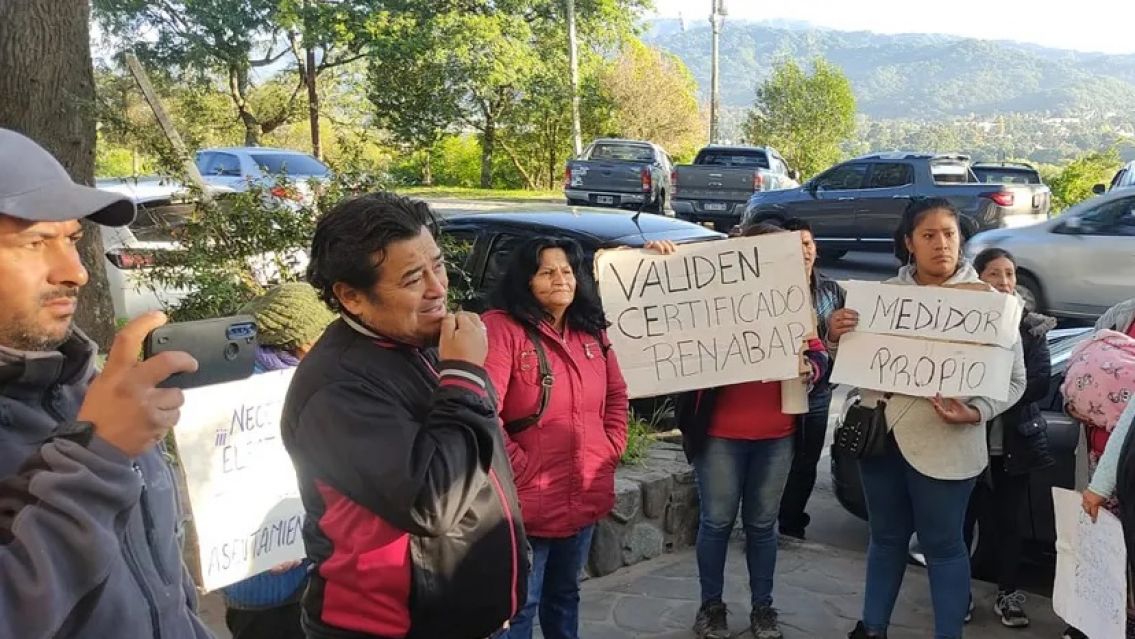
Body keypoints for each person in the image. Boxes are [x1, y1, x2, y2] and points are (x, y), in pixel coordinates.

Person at [280, 192, 529, 639]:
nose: (438, 287)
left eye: (438, 265)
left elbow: (475, 457)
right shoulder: (337, 387)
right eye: (414, 278)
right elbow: (432, 502)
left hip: (469, 620)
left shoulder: (419, 344)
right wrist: (465, 374)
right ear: (351, 297)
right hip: (389, 628)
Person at [0, 128, 210, 637]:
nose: (76, 272)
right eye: (36, 242)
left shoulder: (87, 387)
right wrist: (97, 457)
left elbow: (163, 582)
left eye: (71, 238)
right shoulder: (104, 429)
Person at [828, 198, 1027, 639]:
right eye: (929, 235)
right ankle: (872, 628)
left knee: (943, 546)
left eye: (949, 234)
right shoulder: (881, 299)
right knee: (885, 539)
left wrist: (976, 411)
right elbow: (856, 369)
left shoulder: (990, 305)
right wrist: (837, 335)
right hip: (882, 441)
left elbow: (1015, 381)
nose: (941, 244)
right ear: (908, 243)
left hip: (948, 445)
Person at [678, 223, 829, 639]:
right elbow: (671, 315)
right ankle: (712, 607)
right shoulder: (712, 298)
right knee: (716, 523)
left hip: (776, 434)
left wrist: (812, 368)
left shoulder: (794, 297)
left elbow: (818, 352)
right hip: (720, 435)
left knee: (764, 526)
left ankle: (763, 608)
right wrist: (661, 259)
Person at [482, 237, 626, 639]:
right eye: (547, 272)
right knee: (520, 607)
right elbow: (483, 411)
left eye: (566, 271)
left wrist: (610, 447)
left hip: (583, 491)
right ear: (526, 280)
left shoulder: (591, 331)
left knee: (565, 595)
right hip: (528, 503)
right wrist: (520, 470)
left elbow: (616, 395)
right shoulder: (502, 329)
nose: (560, 279)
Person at [221, 282, 335, 639]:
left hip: (312, 563)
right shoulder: (240, 392)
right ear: (298, 341)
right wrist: (274, 542)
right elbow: (222, 484)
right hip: (262, 581)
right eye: (324, 336)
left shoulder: (309, 378)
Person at [970, 247, 1056, 628]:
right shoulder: (965, 323)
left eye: (1010, 275)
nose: (1005, 283)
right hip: (967, 441)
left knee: (1010, 525)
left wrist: (991, 391)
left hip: (1015, 445)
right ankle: (961, 594)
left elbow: (1037, 383)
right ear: (978, 280)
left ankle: (1009, 596)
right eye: (994, 275)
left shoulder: (1033, 328)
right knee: (963, 522)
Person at [777, 217, 846, 540]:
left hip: (818, 393)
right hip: (776, 391)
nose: (803, 251)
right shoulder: (768, 289)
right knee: (775, 460)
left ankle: (791, 524)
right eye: (795, 245)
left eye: (808, 243)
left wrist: (833, 336)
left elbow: (849, 346)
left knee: (805, 461)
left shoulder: (832, 291)